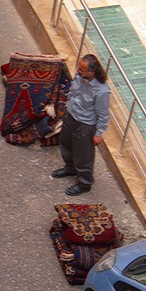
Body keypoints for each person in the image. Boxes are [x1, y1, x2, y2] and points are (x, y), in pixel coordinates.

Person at [51, 54, 111, 196]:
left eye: (82, 69)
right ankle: (70, 168)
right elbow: (73, 94)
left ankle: (85, 183)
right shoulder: (80, 77)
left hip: (85, 125)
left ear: (92, 72)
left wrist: (98, 134)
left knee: (83, 155)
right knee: (66, 143)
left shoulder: (102, 91)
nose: (78, 71)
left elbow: (103, 114)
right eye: (79, 67)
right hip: (71, 116)